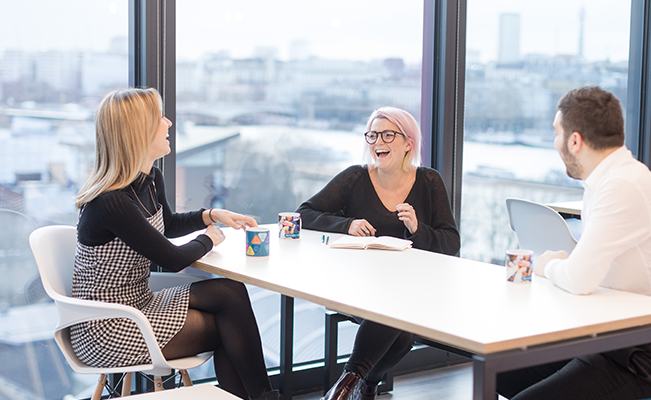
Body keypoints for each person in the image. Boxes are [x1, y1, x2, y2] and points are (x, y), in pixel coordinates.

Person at [72, 88, 278, 400]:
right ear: (137, 132)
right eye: (159, 118)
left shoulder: (151, 178)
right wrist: (208, 239)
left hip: (139, 304)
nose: (168, 123)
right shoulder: (111, 202)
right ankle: (263, 397)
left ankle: (261, 397)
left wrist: (211, 215)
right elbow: (171, 259)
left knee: (230, 292)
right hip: (108, 327)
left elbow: (165, 225)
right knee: (229, 324)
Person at [496, 86, 651, 400]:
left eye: (556, 133)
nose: (555, 142)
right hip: (609, 335)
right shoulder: (606, 180)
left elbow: (579, 278)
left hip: (646, 355)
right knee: (500, 370)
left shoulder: (622, 186)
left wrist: (548, 265)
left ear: (575, 141)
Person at [297, 106, 460, 400]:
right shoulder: (355, 178)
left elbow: (451, 243)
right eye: (372, 135)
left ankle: (350, 383)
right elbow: (304, 213)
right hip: (358, 287)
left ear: (408, 143)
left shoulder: (429, 182)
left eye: (387, 134)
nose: (377, 142)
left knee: (402, 324)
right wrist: (347, 224)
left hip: (415, 290)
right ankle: (363, 385)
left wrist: (417, 229)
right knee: (401, 326)